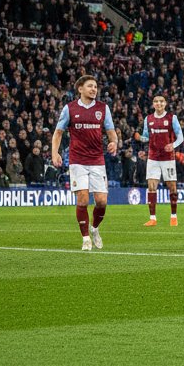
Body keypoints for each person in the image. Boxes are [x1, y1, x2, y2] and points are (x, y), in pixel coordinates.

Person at [52, 75, 119, 251]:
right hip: (78, 160)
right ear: (80, 89)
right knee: (82, 199)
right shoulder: (70, 108)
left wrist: (114, 142)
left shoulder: (103, 108)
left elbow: (111, 131)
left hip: (97, 160)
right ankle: (85, 238)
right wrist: (54, 153)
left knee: (101, 201)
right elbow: (58, 132)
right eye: (90, 86)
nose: (94, 89)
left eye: (95, 86)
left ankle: (94, 228)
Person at [137, 93, 184, 227]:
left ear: (165, 104)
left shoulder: (172, 118)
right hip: (153, 158)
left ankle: (173, 216)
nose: (159, 103)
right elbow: (146, 136)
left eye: (161, 101)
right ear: (153, 104)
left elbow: (181, 137)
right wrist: (140, 138)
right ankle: (152, 218)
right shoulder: (148, 119)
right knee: (151, 187)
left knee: (172, 187)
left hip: (168, 158)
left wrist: (173, 145)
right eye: (156, 101)